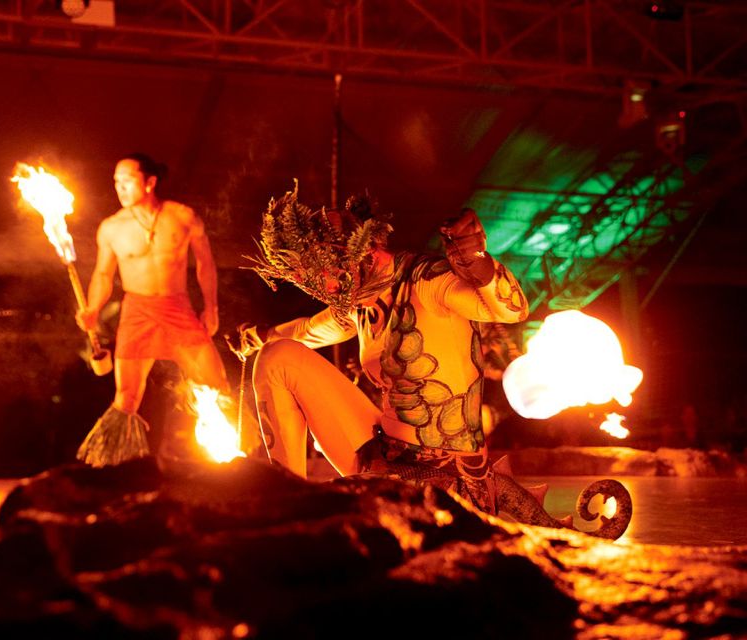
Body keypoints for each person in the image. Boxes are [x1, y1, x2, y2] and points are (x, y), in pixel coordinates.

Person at [230, 184, 633, 537]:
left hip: (446, 479)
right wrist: (256, 337)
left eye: (327, 274)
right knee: (277, 357)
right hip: (380, 455)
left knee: (279, 354)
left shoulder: (429, 281)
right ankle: (284, 508)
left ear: (363, 252)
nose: (325, 287)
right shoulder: (357, 302)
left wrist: (478, 260)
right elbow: (306, 331)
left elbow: (512, 309)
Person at [75, 153, 229, 466]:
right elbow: (104, 275)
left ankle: (231, 459)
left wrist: (210, 307)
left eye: (128, 180)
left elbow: (205, 263)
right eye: (116, 181)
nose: (120, 187)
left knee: (215, 383)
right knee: (127, 397)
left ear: (150, 182)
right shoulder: (111, 228)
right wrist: (93, 307)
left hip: (177, 307)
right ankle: (113, 464)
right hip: (137, 312)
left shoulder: (182, 217)